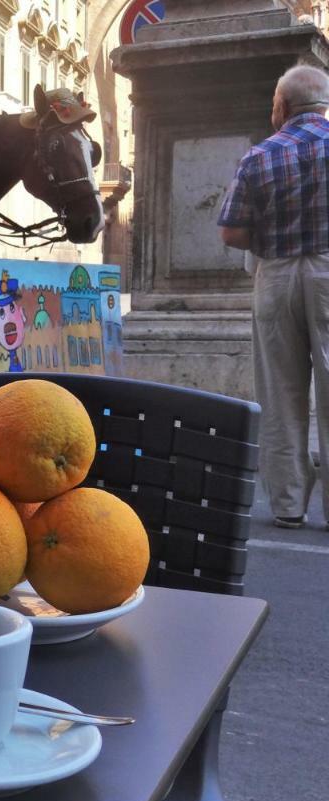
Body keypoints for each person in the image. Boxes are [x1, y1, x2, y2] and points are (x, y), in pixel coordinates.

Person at [219, 64, 329, 530]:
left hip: (277, 275)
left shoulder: (258, 156)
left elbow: (232, 232)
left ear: (281, 107)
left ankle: (287, 505)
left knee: (281, 394)